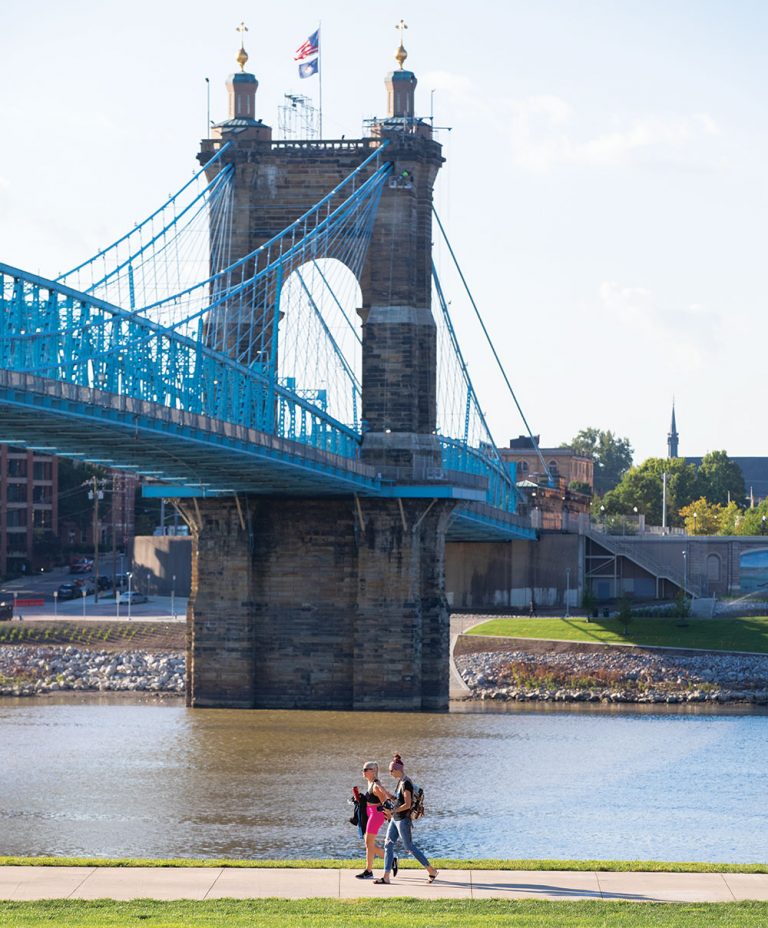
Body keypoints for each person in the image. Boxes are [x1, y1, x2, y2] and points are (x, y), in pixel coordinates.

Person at [374, 753, 438, 885]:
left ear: (398, 770)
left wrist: (393, 811)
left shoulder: (407, 783)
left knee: (409, 846)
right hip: (395, 819)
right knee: (388, 845)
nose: (390, 773)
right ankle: (386, 877)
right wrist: (382, 789)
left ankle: (431, 871)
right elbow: (397, 800)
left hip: (403, 820)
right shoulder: (400, 782)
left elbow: (407, 805)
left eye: (391, 770)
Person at [354, 761, 392, 879]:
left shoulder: (376, 785)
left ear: (373, 771)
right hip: (370, 814)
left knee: (368, 843)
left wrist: (389, 816)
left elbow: (384, 801)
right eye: (363, 770)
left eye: (366, 769)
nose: (363, 772)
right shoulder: (370, 783)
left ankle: (369, 871)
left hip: (376, 815)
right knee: (368, 842)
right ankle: (390, 858)